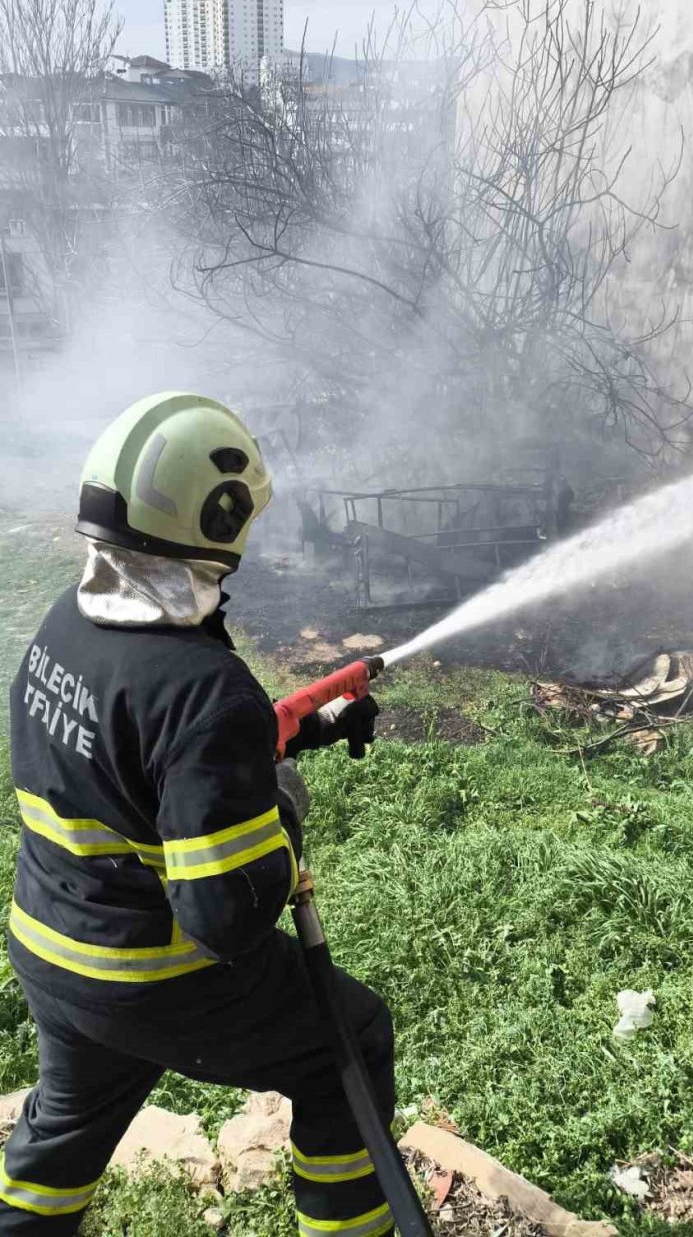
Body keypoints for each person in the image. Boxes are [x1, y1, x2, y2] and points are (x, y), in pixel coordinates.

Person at [0, 392, 393, 1237]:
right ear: (215, 520)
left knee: (61, 1136)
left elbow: (142, 760)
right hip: (151, 976)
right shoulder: (205, 692)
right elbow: (228, 917)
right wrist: (276, 816)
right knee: (350, 1044)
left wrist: (288, 736)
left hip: (54, 947)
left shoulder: (65, 627)